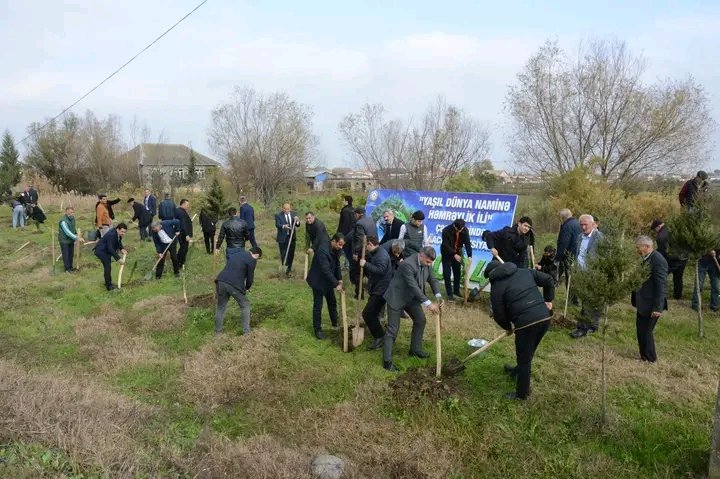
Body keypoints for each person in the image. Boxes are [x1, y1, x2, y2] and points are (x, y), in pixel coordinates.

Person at [484, 259, 555, 400]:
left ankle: (521, 394)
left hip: (527, 324)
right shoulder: (524, 271)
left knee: (524, 358)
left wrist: (507, 327)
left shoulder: (497, 286)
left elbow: (498, 313)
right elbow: (548, 279)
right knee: (527, 351)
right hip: (544, 318)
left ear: (492, 275)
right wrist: (548, 300)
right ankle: (518, 370)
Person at [382, 246, 442, 371]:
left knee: (420, 320)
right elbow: (413, 286)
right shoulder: (407, 265)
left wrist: (438, 296)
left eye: (431, 263)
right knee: (393, 329)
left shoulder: (427, 263)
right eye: (427, 262)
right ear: (421, 255)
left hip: (412, 298)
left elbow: (433, 279)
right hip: (397, 297)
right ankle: (387, 362)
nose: (428, 265)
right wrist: (428, 303)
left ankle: (415, 349)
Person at [632, 235, 668, 362]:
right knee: (641, 331)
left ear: (647, 247)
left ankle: (650, 359)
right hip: (643, 302)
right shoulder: (645, 258)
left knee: (647, 332)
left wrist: (658, 308)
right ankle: (643, 357)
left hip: (652, 303)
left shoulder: (658, 260)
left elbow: (661, 286)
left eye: (638, 247)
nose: (637, 250)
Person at [570, 214, 605, 338]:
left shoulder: (600, 238)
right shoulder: (580, 237)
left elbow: (604, 258)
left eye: (586, 225)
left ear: (593, 224)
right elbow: (579, 253)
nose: (583, 227)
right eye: (581, 225)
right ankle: (590, 325)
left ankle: (584, 328)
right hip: (581, 273)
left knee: (590, 302)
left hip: (594, 274)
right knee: (586, 300)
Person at [215, 246, 262, 336]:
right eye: (258, 258)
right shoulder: (252, 260)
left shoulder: (237, 254)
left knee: (220, 308)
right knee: (245, 305)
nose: (257, 260)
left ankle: (218, 334)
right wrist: (247, 288)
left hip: (221, 281)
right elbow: (250, 279)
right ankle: (246, 333)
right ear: (256, 254)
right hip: (233, 284)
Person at [306, 233, 345, 339]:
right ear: (334, 241)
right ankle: (317, 330)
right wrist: (336, 284)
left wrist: (340, 279)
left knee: (332, 301)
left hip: (328, 281)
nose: (341, 247)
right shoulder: (323, 250)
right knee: (318, 306)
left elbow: (337, 264)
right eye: (340, 244)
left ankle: (335, 322)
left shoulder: (336, 250)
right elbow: (326, 270)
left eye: (342, 245)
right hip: (318, 280)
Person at [360, 236, 392, 350]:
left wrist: (366, 264)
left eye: (366, 246)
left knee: (367, 314)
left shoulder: (382, 255)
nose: (366, 249)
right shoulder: (376, 252)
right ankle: (380, 334)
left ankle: (380, 336)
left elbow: (380, 271)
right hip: (377, 288)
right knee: (372, 314)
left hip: (381, 290)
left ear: (370, 244)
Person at [651, 219, 687, 300]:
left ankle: (661, 295)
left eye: (655, 229)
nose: (655, 231)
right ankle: (678, 297)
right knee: (678, 278)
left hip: (672, 260)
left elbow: (662, 252)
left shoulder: (661, 236)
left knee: (661, 276)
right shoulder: (673, 228)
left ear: (659, 226)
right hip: (683, 258)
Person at [440, 218, 473, 301]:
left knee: (457, 273)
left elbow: (467, 243)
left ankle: (456, 291)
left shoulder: (464, 230)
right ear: (454, 226)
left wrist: (470, 256)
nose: (461, 231)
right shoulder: (446, 230)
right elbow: (445, 244)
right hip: (447, 253)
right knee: (447, 274)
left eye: (462, 229)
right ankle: (450, 294)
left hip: (458, 253)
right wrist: (453, 254)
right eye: (459, 229)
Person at [351, 207, 378, 298]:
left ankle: (359, 294)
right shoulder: (371, 220)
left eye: (355, 214)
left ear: (358, 214)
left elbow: (360, 240)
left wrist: (355, 252)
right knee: (370, 273)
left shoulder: (359, 223)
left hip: (363, 252)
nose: (354, 216)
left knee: (357, 274)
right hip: (372, 250)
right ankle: (372, 292)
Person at [93, 223, 127, 291]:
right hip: (101, 251)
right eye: (122, 231)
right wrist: (118, 259)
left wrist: (122, 248)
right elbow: (110, 248)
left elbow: (118, 242)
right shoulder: (111, 235)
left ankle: (108, 283)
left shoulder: (117, 234)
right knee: (107, 266)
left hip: (106, 251)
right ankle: (109, 286)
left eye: (124, 232)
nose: (123, 233)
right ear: (118, 229)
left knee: (108, 266)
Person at [556, 209, 581, 285]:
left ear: (563, 217)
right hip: (578, 255)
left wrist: (558, 258)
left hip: (569, 255)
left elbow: (564, 243)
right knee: (576, 278)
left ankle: (570, 295)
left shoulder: (567, 226)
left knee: (569, 279)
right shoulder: (578, 223)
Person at [275, 203, 301, 277]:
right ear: (282, 208)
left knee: (291, 254)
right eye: (284, 209)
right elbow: (277, 224)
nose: (286, 210)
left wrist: (297, 221)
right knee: (283, 253)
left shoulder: (294, 214)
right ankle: (285, 268)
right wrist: (283, 226)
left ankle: (288, 269)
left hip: (292, 237)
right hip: (283, 238)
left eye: (288, 209)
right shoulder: (278, 215)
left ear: (290, 208)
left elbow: (297, 225)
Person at [691, 248, 720, 313]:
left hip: (715, 264)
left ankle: (714, 306)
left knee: (716, 286)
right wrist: (707, 250)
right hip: (702, 261)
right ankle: (695, 305)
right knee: (699, 285)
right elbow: (700, 245)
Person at [58, 206, 84, 273]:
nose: (71, 214)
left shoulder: (72, 219)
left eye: (72, 212)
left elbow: (72, 228)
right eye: (69, 212)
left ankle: (70, 267)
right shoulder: (63, 221)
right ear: (66, 212)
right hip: (64, 240)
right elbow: (67, 232)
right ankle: (67, 269)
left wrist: (77, 233)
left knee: (71, 254)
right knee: (66, 255)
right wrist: (77, 238)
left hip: (70, 240)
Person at [337, 195, 356, 267]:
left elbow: (344, 224)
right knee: (349, 250)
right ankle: (347, 265)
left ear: (346, 201)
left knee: (340, 249)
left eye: (344, 200)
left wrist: (340, 234)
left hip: (345, 233)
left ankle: (337, 264)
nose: (343, 202)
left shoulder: (344, 210)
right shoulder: (354, 210)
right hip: (352, 233)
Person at [175, 199, 193, 269]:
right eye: (187, 204)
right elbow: (183, 224)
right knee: (184, 248)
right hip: (183, 234)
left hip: (182, 233)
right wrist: (187, 235)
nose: (188, 206)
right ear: (183, 204)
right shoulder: (181, 212)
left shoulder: (179, 211)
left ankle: (178, 261)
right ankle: (180, 263)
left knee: (183, 248)